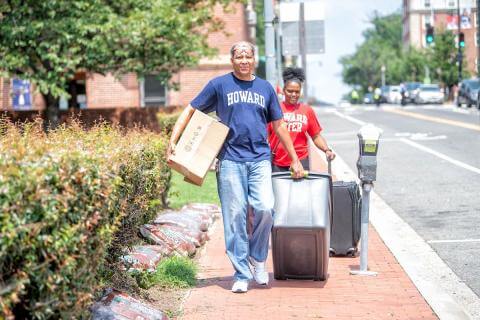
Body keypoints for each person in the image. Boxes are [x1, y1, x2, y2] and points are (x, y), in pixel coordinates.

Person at [166, 41, 304, 293]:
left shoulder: (265, 88)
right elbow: (191, 109)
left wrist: (294, 158)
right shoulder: (219, 85)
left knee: (265, 207)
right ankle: (241, 273)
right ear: (232, 60)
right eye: (239, 56)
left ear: (254, 60)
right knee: (235, 215)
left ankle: (258, 258)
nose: (243, 60)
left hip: (261, 158)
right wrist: (174, 140)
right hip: (230, 160)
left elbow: (279, 125)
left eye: (247, 56)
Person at [268, 67, 335, 172]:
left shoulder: (307, 110)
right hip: (278, 162)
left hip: (301, 161)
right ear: (283, 90)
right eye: (290, 91)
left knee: (301, 188)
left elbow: (316, 135)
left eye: (297, 92)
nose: (294, 95)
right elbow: (265, 136)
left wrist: (326, 150)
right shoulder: (274, 109)